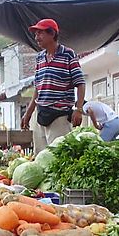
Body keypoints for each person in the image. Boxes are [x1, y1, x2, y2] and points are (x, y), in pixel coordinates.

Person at [21, 19, 86, 153]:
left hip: (60, 116)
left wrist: (78, 109)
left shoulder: (68, 54)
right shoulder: (39, 58)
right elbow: (38, 88)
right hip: (41, 114)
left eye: (40, 33)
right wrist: (28, 113)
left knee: (57, 156)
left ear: (52, 34)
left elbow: (80, 83)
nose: (36, 37)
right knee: (40, 157)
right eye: (36, 34)